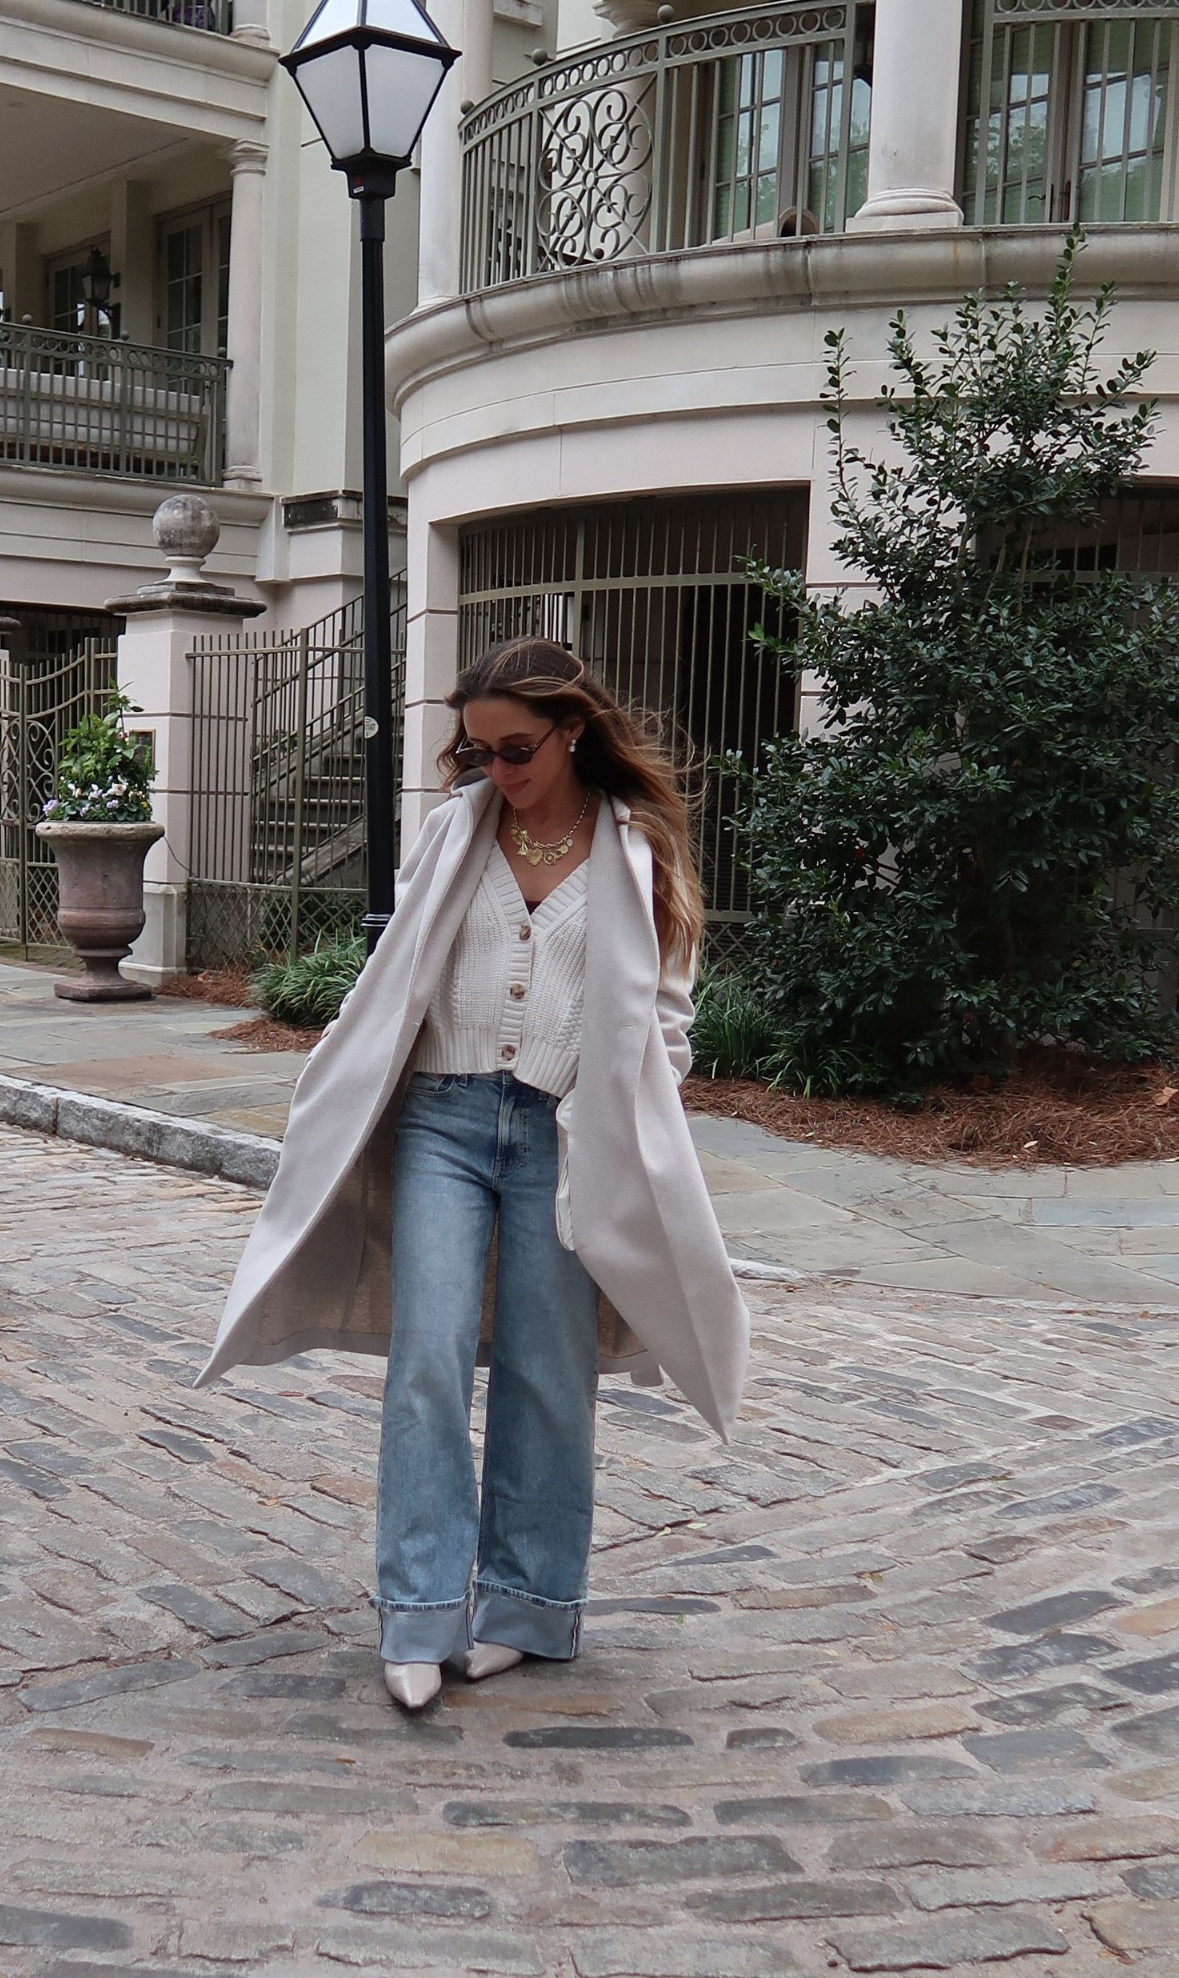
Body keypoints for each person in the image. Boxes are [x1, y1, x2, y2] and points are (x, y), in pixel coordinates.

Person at [198, 636, 750, 1710]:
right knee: (431, 1359)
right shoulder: (455, 831)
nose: (494, 767)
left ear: (574, 728)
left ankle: (529, 1605)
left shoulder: (638, 848)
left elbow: (667, 1018)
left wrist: (634, 1116)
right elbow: (399, 969)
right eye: (477, 748)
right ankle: (417, 1613)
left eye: (516, 747)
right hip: (442, 1123)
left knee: (551, 1373)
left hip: (563, 1134)